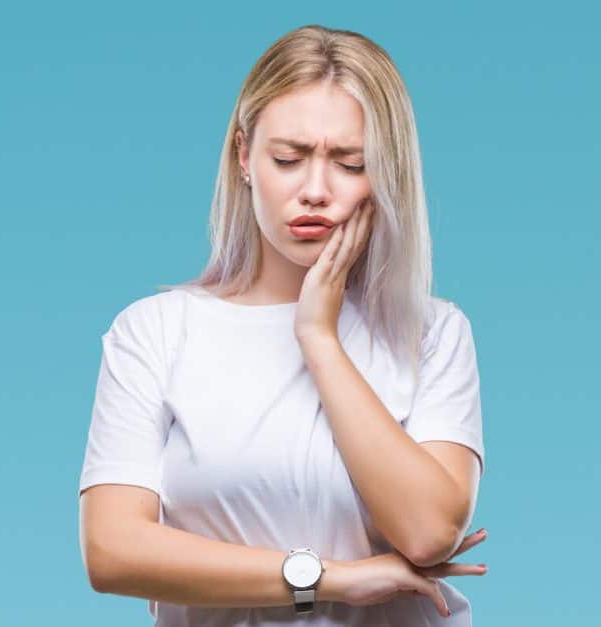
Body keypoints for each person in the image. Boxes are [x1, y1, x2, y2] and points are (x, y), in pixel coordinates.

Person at [76, 24, 488, 626]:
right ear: (243, 156)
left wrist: (319, 337)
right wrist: (331, 579)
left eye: (350, 164)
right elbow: (112, 551)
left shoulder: (433, 333)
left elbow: (427, 532)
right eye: (288, 159)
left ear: (386, 174)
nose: (315, 191)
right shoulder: (156, 333)